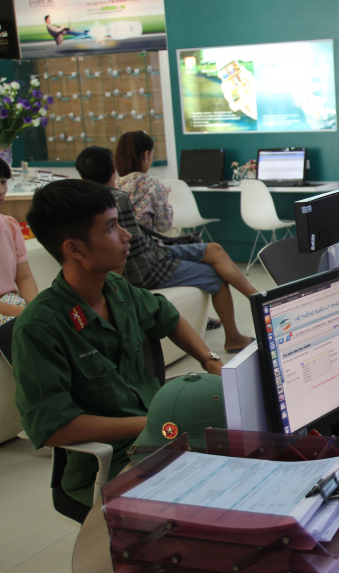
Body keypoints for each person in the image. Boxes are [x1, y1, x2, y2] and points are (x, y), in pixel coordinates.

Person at [13, 179, 224, 507]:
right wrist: (157, 423)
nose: (127, 236)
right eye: (111, 227)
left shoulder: (116, 288)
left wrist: (210, 360)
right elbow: (55, 428)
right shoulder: (39, 327)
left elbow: (167, 317)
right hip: (113, 463)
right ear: (75, 249)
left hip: (163, 437)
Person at [76, 147, 255, 352]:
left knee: (214, 249)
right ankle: (237, 333)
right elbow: (141, 238)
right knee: (215, 276)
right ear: (112, 168)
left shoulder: (84, 202)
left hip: (152, 252)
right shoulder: (118, 198)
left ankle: (256, 297)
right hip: (146, 266)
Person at [0, 160, 38, 325]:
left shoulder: (10, 226)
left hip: (15, 306)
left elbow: (24, 277)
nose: (1, 191)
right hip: (10, 312)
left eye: (3, 182)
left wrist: (36, 308)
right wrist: (21, 312)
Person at [114, 131, 173, 233]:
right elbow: (164, 226)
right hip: (145, 242)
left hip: (118, 242)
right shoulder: (153, 185)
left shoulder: (111, 185)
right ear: (146, 155)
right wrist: (165, 200)